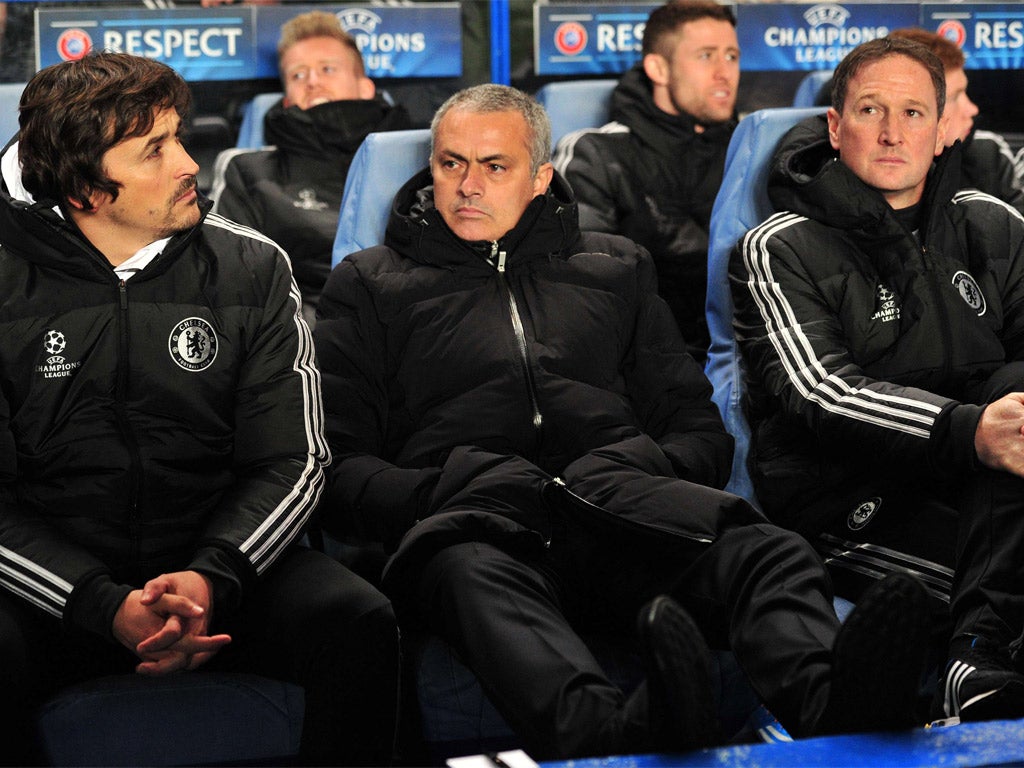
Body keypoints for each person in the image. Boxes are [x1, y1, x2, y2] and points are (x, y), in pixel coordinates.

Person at [313, 82, 932, 761]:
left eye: (495, 166)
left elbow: (698, 432)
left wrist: (629, 470)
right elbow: (341, 469)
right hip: (478, 525)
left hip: (622, 508)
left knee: (769, 552)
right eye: (450, 163)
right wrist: (448, 489)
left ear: (541, 175)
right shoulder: (369, 284)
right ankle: (617, 736)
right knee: (469, 578)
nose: (467, 185)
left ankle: (835, 705)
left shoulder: (614, 266)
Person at [0, 52, 399, 765]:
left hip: (220, 564)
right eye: (155, 149)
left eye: (181, 136)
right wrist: (100, 604)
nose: (189, 162)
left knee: (355, 619)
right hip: (55, 589)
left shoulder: (253, 266)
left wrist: (214, 578)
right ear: (87, 186)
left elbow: (294, 459)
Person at [730, 35, 1024, 726]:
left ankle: (977, 668)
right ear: (835, 126)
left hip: (986, 485)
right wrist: (968, 431)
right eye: (870, 110)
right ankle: (976, 663)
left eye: (914, 112)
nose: (893, 133)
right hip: (849, 499)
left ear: (943, 126)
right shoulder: (780, 244)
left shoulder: (992, 225)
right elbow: (821, 391)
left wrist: (990, 430)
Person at [551, 0, 739, 363]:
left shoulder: (748, 148)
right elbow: (578, 290)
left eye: (732, 56)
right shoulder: (598, 153)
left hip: (740, 361)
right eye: (706, 56)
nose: (724, 72)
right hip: (641, 364)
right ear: (658, 67)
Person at [211, 10, 411, 324]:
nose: (313, 82)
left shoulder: (416, 159)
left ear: (366, 87)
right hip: (307, 339)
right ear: (287, 100)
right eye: (298, 75)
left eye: (327, 69)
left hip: (410, 331)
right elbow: (233, 285)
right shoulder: (251, 172)